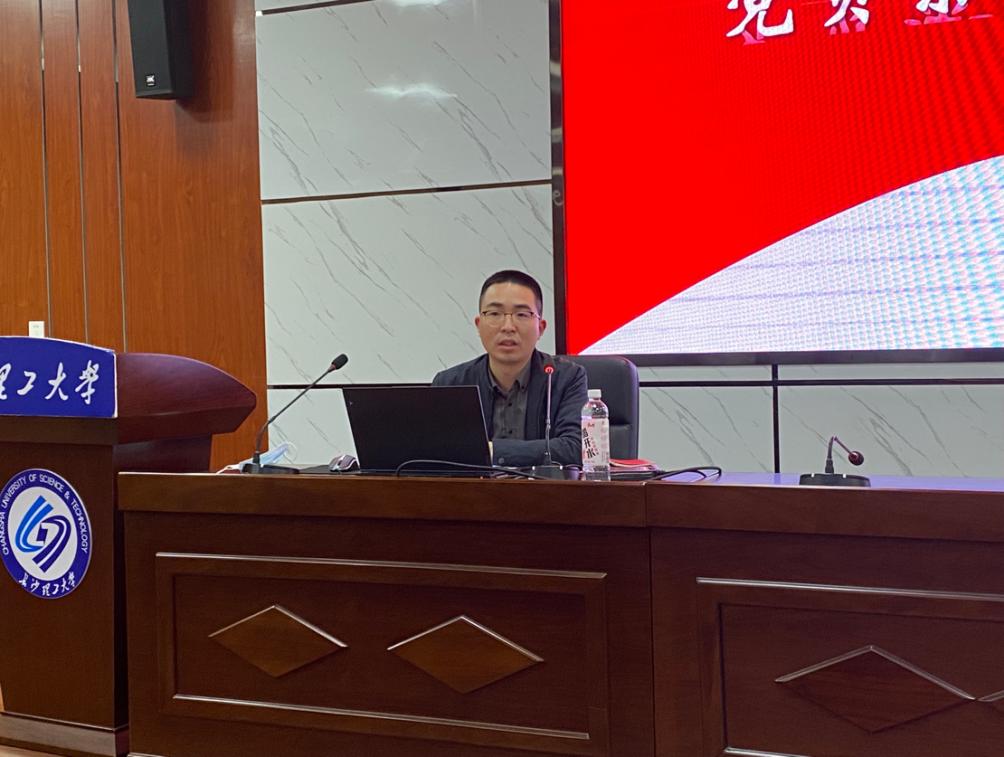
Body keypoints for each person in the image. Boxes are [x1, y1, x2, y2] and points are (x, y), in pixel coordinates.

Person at [432, 270, 587, 467]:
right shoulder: (451, 383)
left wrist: (492, 451)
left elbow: (575, 448)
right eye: (494, 314)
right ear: (478, 325)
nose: (508, 326)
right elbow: (437, 454)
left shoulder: (566, 378)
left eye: (521, 314)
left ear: (541, 328)